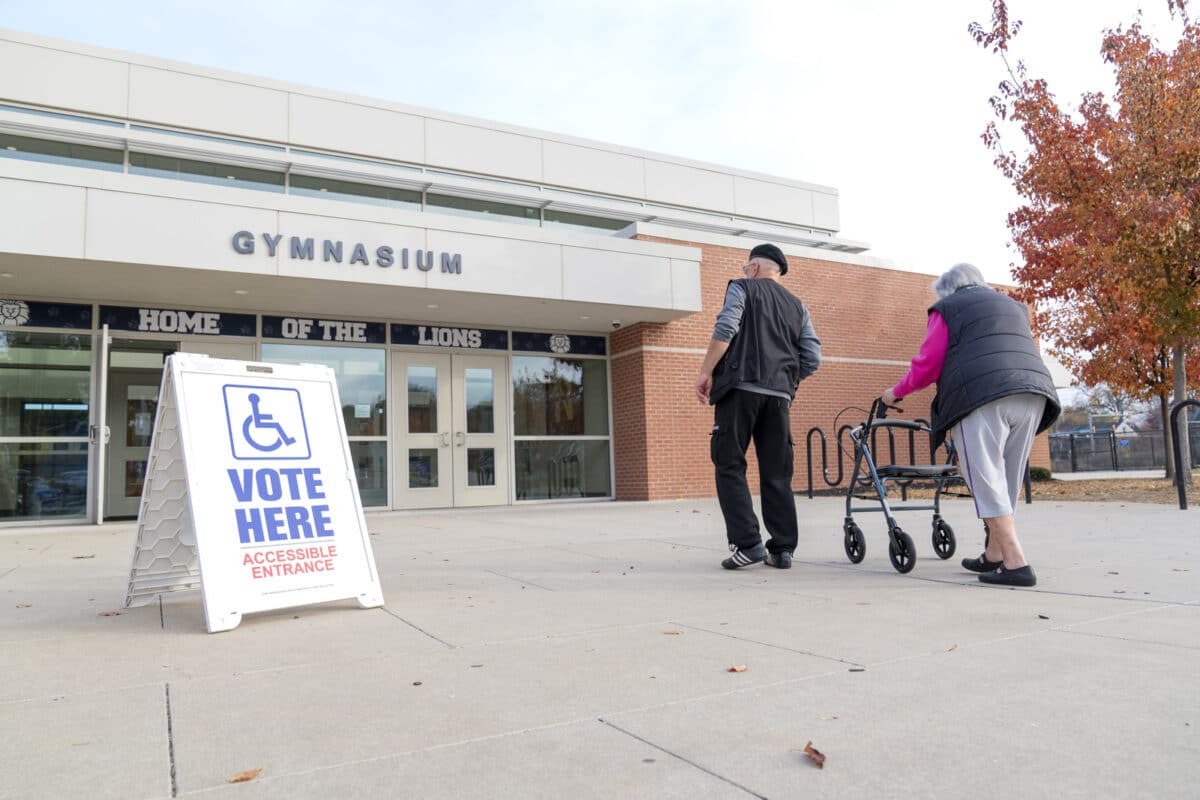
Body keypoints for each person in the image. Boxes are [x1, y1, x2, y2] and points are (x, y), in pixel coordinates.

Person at [880, 263, 1060, 587]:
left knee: (984, 477)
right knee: (1006, 478)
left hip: (982, 396)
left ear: (948, 290)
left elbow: (928, 365)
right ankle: (995, 554)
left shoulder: (948, 307)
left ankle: (1016, 562)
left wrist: (896, 392)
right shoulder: (1014, 306)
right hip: (1034, 393)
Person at [695, 244, 821, 570]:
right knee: (778, 472)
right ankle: (781, 550)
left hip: (740, 390)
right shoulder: (798, 306)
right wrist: (786, 380)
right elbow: (812, 359)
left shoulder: (741, 287)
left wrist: (706, 371)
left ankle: (748, 543)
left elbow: (727, 327)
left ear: (752, 268)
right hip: (780, 397)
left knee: (729, 463)